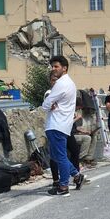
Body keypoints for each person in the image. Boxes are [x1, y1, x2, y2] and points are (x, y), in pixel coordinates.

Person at [42, 55, 85, 196]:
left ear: (64, 68)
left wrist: (47, 104)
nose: (53, 69)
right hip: (62, 125)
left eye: (56, 67)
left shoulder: (61, 83)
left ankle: (63, 186)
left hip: (56, 124)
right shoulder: (70, 83)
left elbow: (46, 104)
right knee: (56, 155)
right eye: (52, 67)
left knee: (59, 156)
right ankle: (77, 176)